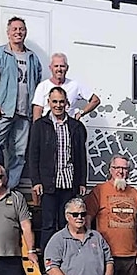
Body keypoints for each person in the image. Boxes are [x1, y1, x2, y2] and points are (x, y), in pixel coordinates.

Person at [0, 16, 43, 190]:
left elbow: (37, 85)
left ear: (25, 32)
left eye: (21, 29)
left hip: (25, 114)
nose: (18, 32)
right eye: (14, 29)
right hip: (4, 111)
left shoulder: (32, 58)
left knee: (20, 153)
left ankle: (10, 188)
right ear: (8, 33)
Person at [29, 86, 87, 249]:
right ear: (48, 102)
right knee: (48, 224)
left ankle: (66, 259)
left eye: (61, 102)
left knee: (66, 224)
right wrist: (36, 181)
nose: (58, 105)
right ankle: (48, 262)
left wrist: (82, 181)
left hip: (69, 183)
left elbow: (82, 156)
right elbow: (33, 155)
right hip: (49, 184)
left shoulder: (75, 127)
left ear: (67, 103)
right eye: (54, 102)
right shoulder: (40, 125)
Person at [31, 52, 100, 121]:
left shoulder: (74, 85)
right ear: (50, 68)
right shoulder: (43, 86)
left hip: (69, 127)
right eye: (56, 66)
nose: (59, 69)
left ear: (67, 68)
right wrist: (37, 128)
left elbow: (95, 100)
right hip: (48, 127)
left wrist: (81, 113)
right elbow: (37, 110)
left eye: (62, 66)